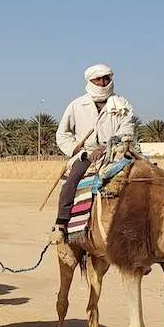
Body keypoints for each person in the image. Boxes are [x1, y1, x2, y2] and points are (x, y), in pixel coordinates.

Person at [52, 63, 136, 241]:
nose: (103, 82)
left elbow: (127, 130)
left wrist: (107, 147)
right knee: (71, 182)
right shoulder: (76, 105)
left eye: (106, 78)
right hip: (86, 155)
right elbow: (62, 134)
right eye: (98, 79)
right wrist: (77, 150)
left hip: (116, 151)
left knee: (145, 176)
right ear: (90, 81)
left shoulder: (123, 104)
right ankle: (61, 223)